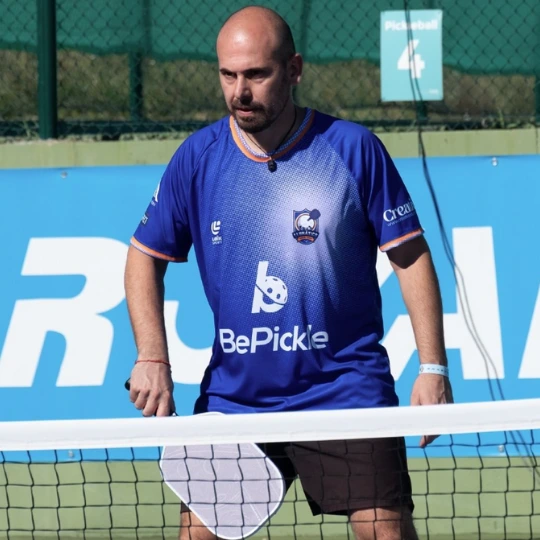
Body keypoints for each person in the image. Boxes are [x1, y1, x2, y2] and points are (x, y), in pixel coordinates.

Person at [125, 5, 453, 540]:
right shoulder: (198, 157)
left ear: (294, 70)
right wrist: (152, 355)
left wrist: (433, 368)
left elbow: (409, 255)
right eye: (228, 75)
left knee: (384, 533)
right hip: (236, 401)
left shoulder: (352, 149)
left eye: (256, 74)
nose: (240, 91)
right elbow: (144, 255)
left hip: (345, 390)